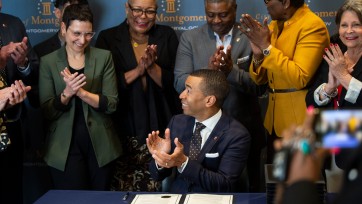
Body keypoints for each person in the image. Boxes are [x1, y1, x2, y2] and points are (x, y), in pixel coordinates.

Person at [173, 0, 266, 192]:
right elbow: (179, 81)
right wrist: (209, 72)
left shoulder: (252, 36)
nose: (216, 20)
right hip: (201, 131)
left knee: (247, 189)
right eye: (210, 14)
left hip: (245, 127)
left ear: (235, 10)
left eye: (223, 15)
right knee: (201, 185)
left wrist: (231, 71)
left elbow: (261, 86)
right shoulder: (190, 38)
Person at [95, 0, 181, 191]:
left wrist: (152, 67)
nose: (143, 16)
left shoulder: (166, 35)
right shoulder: (108, 38)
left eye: (150, 11)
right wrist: (138, 70)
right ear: (127, 8)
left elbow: (176, 84)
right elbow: (104, 87)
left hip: (160, 125)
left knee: (161, 190)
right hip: (121, 127)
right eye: (137, 10)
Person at [39, 4, 121, 190]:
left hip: (101, 145)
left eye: (88, 34)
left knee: (100, 200)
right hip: (63, 147)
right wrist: (66, 94)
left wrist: (81, 93)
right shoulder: (49, 61)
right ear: (63, 28)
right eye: (76, 33)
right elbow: (47, 111)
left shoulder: (104, 57)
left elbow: (112, 104)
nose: (82, 40)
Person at [239, 0, 330, 163]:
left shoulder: (312, 25)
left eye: (268, 0)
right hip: (273, 122)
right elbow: (260, 79)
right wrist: (259, 55)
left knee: (302, 183)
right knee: (275, 183)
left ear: (286, 2)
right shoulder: (273, 26)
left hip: (301, 124)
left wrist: (266, 46)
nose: (265, 4)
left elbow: (300, 77)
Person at [147, 69, 251, 193]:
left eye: (188, 91)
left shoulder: (236, 135)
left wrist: (184, 163)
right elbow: (156, 176)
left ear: (209, 101)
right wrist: (161, 159)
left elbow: (225, 185)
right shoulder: (177, 122)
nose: (181, 95)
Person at [0, 0, 39, 202]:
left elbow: (31, 72)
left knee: (12, 191)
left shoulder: (13, 24)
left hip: (11, 126)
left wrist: (22, 63)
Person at [306, 0, 362, 110]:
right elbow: (310, 103)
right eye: (344, 25)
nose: (349, 31)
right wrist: (328, 88)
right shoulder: (333, 56)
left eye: (356, 25)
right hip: (331, 126)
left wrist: (344, 77)